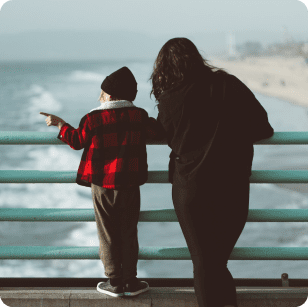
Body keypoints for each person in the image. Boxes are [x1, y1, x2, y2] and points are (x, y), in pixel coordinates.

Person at [148, 38, 274, 307]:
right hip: (233, 187)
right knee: (216, 262)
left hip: (190, 188)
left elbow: (166, 135)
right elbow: (264, 128)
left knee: (205, 263)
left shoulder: (170, 98)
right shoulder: (229, 84)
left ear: (164, 67)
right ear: (197, 58)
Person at [40, 66, 165, 297]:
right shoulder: (138, 116)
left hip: (101, 184)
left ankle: (114, 281)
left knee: (107, 232)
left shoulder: (93, 118)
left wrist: (60, 124)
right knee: (128, 231)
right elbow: (159, 132)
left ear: (108, 96)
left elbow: (77, 141)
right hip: (129, 183)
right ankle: (131, 280)